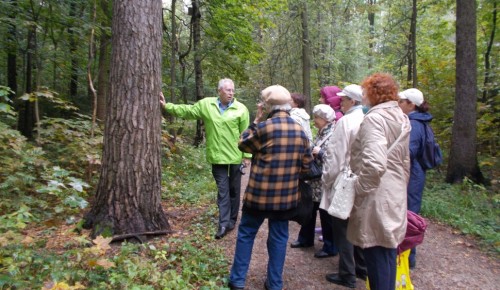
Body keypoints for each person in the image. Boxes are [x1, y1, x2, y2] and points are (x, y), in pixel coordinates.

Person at [228, 85, 312, 290]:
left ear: (269, 107)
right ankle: (275, 284)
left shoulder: (263, 127)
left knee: (247, 234)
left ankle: (237, 280)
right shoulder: (300, 131)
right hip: (285, 199)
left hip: (258, 196)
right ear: (287, 107)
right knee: (279, 239)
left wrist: (256, 120)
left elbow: (242, 144)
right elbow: (306, 165)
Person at [159, 78, 251, 240]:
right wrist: (167, 107)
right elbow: (188, 111)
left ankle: (232, 220)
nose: (231, 93)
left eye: (233, 90)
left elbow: (246, 134)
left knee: (234, 191)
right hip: (216, 156)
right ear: (219, 91)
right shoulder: (207, 105)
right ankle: (223, 223)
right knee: (223, 191)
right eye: (228, 90)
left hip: (236, 156)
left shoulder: (241, 109)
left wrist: (247, 156)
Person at [347, 73, 411, 290]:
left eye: (365, 91)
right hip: (394, 191)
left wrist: (359, 188)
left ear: (373, 93)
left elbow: (374, 164)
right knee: (387, 250)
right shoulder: (400, 116)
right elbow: (404, 161)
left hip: (377, 194)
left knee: (376, 252)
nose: (363, 96)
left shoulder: (375, 118)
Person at [320, 84, 367, 288]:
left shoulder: (346, 122)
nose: (341, 101)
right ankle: (362, 269)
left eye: (345, 98)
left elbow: (336, 156)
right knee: (358, 225)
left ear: (353, 101)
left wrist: (326, 180)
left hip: (344, 180)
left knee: (342, 226)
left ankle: (347, 273)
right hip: (364, 180)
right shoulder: (369, 119)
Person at [290, 104, 338, 259]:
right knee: (309, 209)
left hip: (325, 180)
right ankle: (305, 239)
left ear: (324, 119)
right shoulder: (321, 132)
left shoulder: (334, 133)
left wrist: (320, 152)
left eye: (317, 118)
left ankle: (330, 246)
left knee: (325, 214)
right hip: (314, 180)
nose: (315, 120)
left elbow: (335, 157)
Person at [398, 88, 432, 269]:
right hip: (416, 172)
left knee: (408, 214)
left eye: (402, 101)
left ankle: (407, 256)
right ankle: (407, 255)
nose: (399, 104)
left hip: (412, 174)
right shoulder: (419, 121)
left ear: (411, 105)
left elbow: (408, 152)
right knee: (409, 211)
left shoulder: (415, 124)